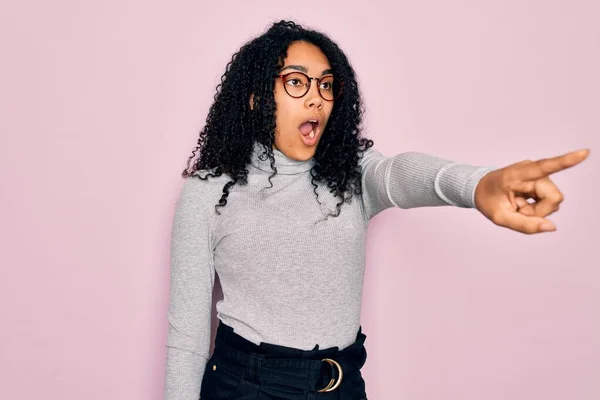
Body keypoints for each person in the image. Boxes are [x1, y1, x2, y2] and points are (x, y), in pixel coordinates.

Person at [163, 20, 589, 400]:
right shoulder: (208, 192)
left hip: (343, 384)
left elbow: (399, 174)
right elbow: (187, 337)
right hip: (248, 385)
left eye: (327, 85)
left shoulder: (349, 173)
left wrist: (477, 184)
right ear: (256, 97)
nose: (317, 99)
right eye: (297, 82)